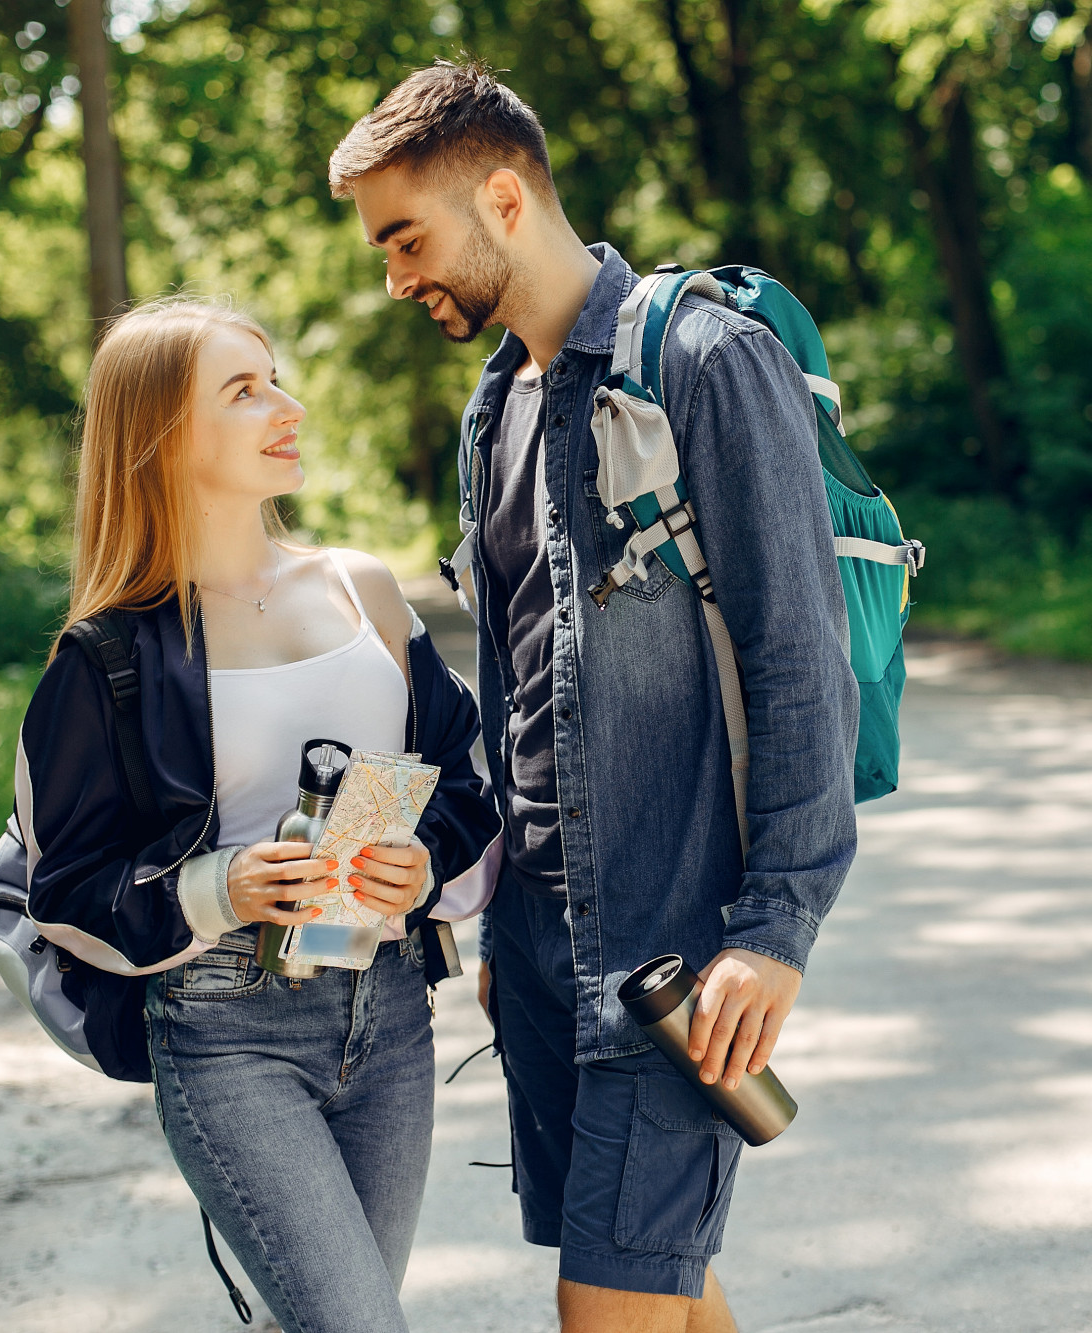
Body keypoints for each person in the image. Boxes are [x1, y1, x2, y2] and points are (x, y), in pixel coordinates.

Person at [328, 61, 860, 1333]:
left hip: (675, 949)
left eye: (406, 238)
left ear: (501, 197)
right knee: (661, 1287)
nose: (394, 277)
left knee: (607, 1304)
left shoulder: (703, 360)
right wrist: (501, 909)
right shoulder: (490, 412)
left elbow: (799, 657)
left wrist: (775, 925)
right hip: (542, 948)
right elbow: (514, 683)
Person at [0, 298, 500, 1332]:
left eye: (275, 377)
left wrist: (424, 870)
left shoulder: (363, 593)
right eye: (244, 390)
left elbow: (467, 783)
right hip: (224, 1037)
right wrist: (219, 886)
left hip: (390, 1014)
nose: (287, 405)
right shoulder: (108, 656)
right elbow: (61, 892)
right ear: (164, 434)